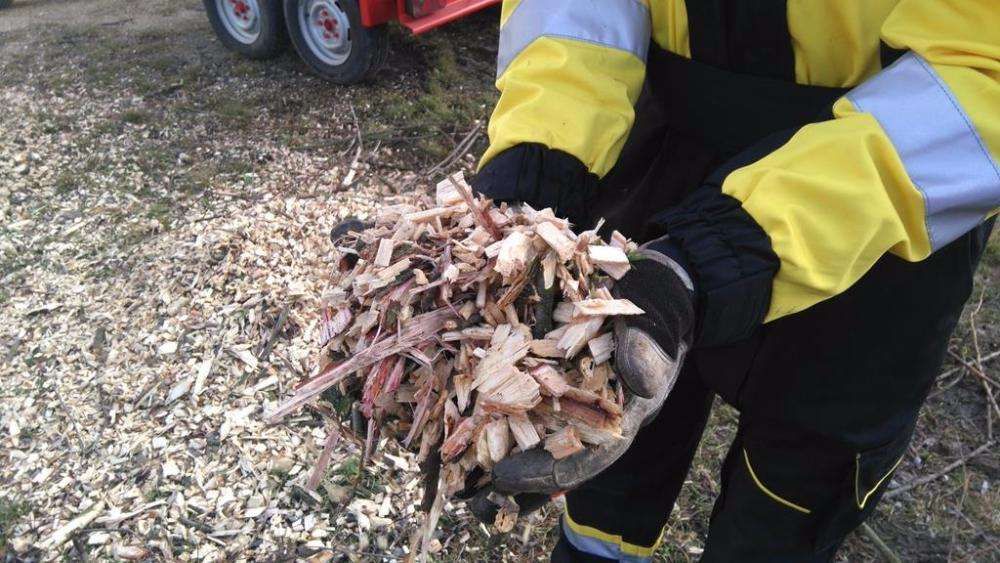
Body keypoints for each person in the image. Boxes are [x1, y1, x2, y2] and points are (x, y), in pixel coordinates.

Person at [468, 1, 999, 561]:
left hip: (882, 216)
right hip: (660, 169)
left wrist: (729, 248)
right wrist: (540, 166)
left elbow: (982, 79)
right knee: (606, 435)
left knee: (786, 506)